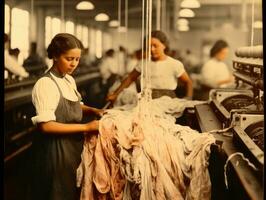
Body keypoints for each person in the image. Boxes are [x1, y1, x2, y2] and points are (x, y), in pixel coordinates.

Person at [30, 33, 103, 200]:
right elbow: (46, 125)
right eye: (69, 59)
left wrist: (92, 110)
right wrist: (86, 127)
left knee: (71, 191)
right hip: (55, 152)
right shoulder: (45, 84)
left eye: (77, 60)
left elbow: (73, 104)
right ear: (55, 56)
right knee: (56, 193)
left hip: (72, 147)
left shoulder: (69, 80)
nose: (74, 64)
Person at [106, 30, 193, 103]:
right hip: (147, 100)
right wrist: (115, 94)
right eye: (149, 46)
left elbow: (188, 82)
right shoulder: (143, 63)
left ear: (164, 45)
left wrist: (188, 97)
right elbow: (130, 78)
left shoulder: (174, 64)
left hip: (168, 101)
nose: (151, 49)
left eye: (155, 46)